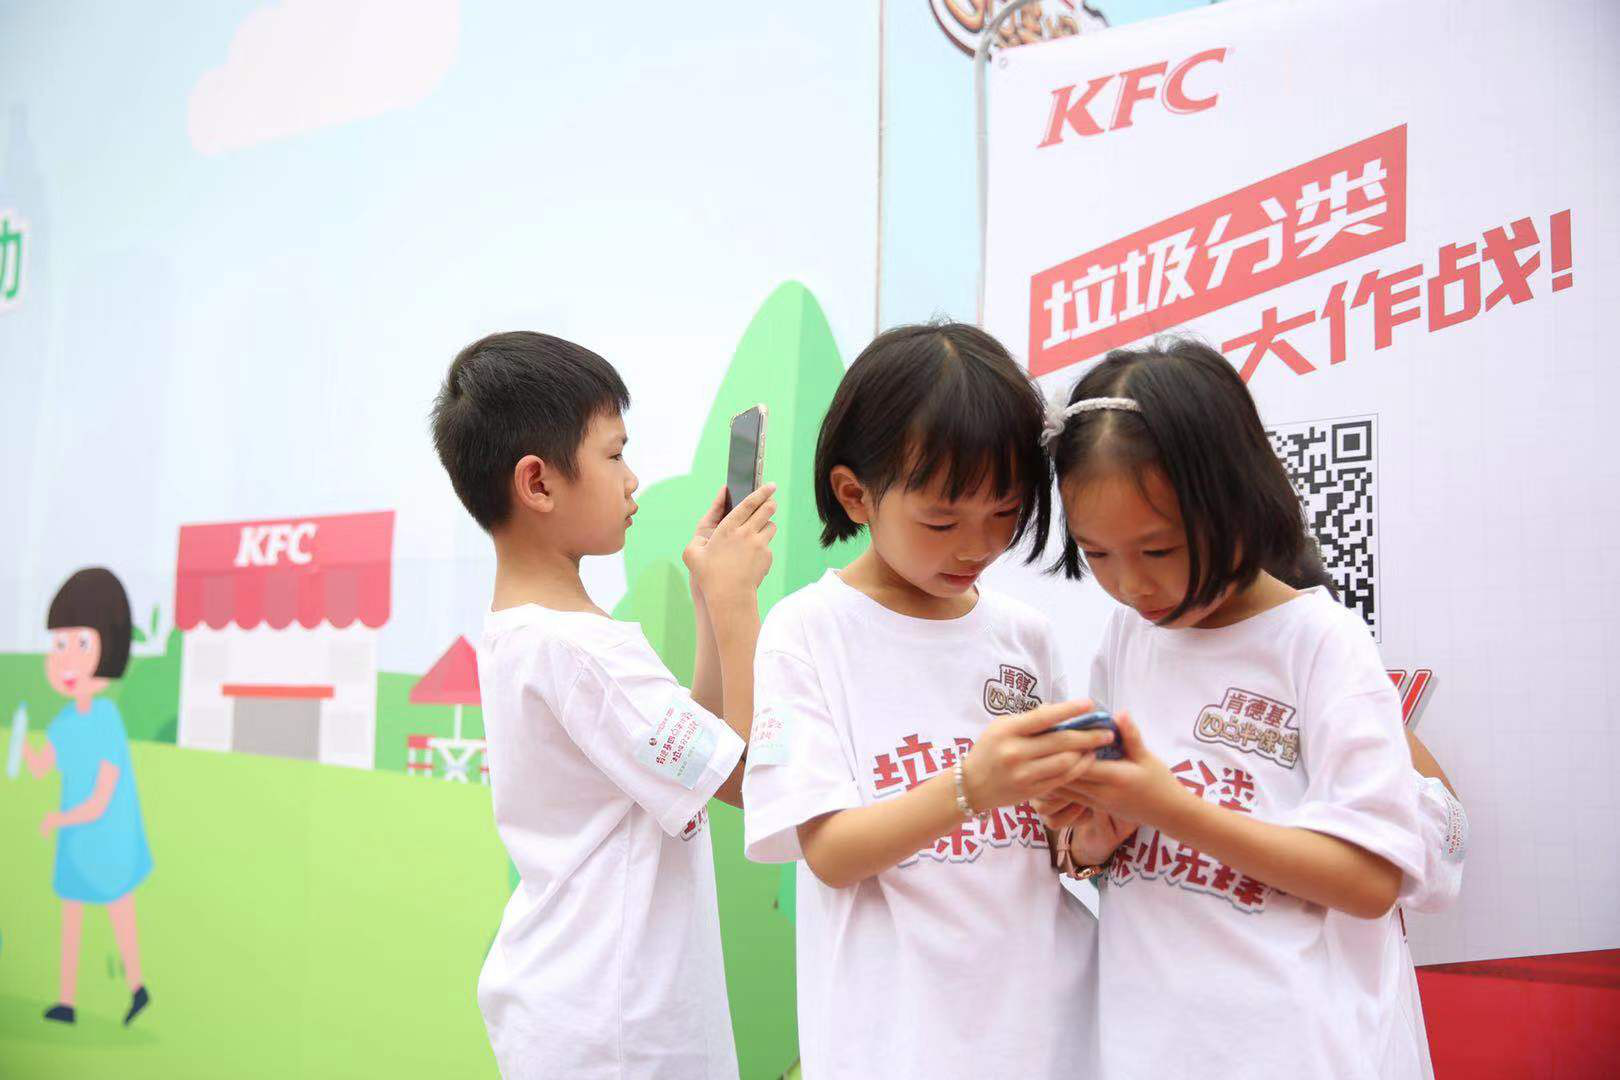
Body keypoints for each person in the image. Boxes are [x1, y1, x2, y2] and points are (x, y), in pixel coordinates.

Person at [1035, 336, 1429, 1078]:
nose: (1131, 586)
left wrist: (1172, 808)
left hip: (1298, 1051)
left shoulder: (1320, 643)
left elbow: (1372, 880)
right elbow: (1095, 852)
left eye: (1158, 550)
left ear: (1237, 501)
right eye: (1097, 554)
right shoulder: (1128, 638)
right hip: (1151, 1045)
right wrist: (1086, 837)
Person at [741, 322, 1113, 1080]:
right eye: (941, 519)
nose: (976, 546)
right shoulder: (808, 631)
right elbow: (831, 852)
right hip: (897, 1039)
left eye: (1004, 514)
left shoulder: (1025, 635)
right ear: (855, 494)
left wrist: (1088, 830)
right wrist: (971, 787)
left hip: (1048, 1027)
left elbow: (1054, 845)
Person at [430, 331, 777, 1079]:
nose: (632, 479)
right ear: (538, 483)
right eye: (614, 454)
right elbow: (751, 779)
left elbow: (698, 756)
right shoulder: (585, 652)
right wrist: (737, 601)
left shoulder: (533, 634)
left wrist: (706, 598)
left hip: (577, 1011)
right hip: (619, 1030)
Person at [23, 567, 152, 1026]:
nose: (66, 659)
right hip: (76, 840)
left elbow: (101, 799)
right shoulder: (63, 722)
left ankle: (136, 986)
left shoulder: (108, 720)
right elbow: (43, 765)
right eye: (59, 644)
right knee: (72, 915)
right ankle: (67, 1000)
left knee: (120, 910)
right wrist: (24, 747)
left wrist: (58, 820)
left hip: (107, 836)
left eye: (80, 643)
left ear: (108, 650)